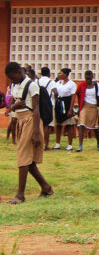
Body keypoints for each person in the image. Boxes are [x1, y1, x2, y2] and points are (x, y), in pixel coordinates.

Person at [4, 62, 53, 204]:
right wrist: (14, 106)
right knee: (29, 162)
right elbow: (11, 107)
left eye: (13, 77)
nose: (12, 81)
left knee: (23, 157)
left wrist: (37, 131)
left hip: (31, 120)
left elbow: (36, 108)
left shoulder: (31, 85)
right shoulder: (14, 85)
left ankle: (20, 195)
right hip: (20, 121)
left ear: (19, 72)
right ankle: (46, 187)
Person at [75, 70, 99, 152]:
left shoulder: (97, 85)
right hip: (85, 106)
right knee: (81, 124)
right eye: (86, 78)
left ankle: (98, 143)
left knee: (95, 127)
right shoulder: (82, 85)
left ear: (92, 77)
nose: (88, 80)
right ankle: (80, 145)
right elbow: (77, 93)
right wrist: (79, 105)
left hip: (94, 107)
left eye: (89, 78)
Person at [54, 68, 77, 151]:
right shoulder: (58, 83)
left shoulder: (72, 84)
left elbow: (73, 97)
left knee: (69, 124)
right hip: (59, 104)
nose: (59, 75)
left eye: (61, 73)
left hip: (67, 103)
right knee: (58, 124)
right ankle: (57, 143)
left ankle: (70, 144)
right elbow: (55, 93)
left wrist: (71, 109)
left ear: (66, 74)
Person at [38, 67, 58, 151]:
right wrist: (55, 98)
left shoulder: (37, 81)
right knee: (48, 125)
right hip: (49, 105)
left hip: (39, 105)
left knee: (40, 125)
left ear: (41, 73)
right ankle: (46, 144)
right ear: (49, 73)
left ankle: (39, 144)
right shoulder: (52, 82)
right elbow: (56, 92)